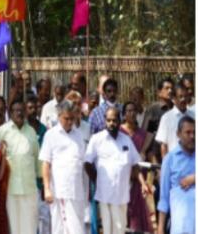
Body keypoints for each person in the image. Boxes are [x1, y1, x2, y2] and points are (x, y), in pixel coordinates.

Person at [84, 106, 143, 234]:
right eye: (108, 120)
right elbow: (87, 163)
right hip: (105, 194)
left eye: (114, 120)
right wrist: (96, 179)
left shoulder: (126, 139)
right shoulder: (97, 139)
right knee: (107, 228)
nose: (111, 123)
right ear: (105, 120)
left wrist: (141, 183)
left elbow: (136, 163)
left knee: (120, 227)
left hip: (122, 194)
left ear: (120, 120)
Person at [39, 99, 87, 234]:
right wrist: (47, 189)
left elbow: (81, 164)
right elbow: (46, 163)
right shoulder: (51, 135)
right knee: (60, 229)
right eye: (66, 118)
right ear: (59, 116)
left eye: (72, 118)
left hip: (77, 191)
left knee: (76, 228)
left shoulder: (78, 135)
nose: (70, 122)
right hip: (59, 191)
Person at [0, 100, 40, 234]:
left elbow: (37, 159)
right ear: (10, 113)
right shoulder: (2, 131)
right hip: (10, 189)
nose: (19, 113)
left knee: (30, 228)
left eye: (21, 110)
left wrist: (41, 183)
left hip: (29, 188)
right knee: (14, 228)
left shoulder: (31, 132)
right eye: (16, 110)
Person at [155, 115, 195, 234]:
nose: (192, 136)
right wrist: (160, 228)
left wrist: (194, 178)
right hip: (181, 225)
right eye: (188, 132)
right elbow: (164, 198)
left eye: (195, 132)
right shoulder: (170, 159)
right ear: (178, 134)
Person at [120, 101, 152, 233]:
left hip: (140, 179)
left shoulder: (142, 134)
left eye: (134, 110)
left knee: (138, 217)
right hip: (123, 178)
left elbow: (150, 143)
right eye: (128, 110)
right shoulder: (119, 131)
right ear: (124, 114)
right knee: (123, 214)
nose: (132, 113)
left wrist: (143, 152)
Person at [156, 83, 194, 157]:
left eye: (185, 96)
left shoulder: (194, 115)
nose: (183, 99)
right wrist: (166, 166)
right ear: (173, 99)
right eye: (180, 96)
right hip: (175, 163)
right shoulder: (166, 118)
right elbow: (164, 146)